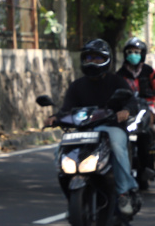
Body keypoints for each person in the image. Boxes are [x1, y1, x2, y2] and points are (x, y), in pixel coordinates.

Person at [45, 38, 140, 215]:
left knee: (117, 147)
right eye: (88, 57)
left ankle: (123, 193)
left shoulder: (116, 81)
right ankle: (72, 200)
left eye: (96, 58)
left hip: (110, 128)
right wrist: (55, 118)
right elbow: (66, 109)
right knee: (60, 151)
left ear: (106, 60)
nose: (92, 62)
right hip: (83, 130)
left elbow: (131, 102)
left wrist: (125, 110)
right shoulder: (77, 86)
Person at [116, 37, 155, 177]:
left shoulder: (149, 71)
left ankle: (149, 161)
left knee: (148, 131)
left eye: (136, 52)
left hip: (147, 106)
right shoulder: (120, 74)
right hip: (127, 108)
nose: (133, 55)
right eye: (130, 52)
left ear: (142, 54)